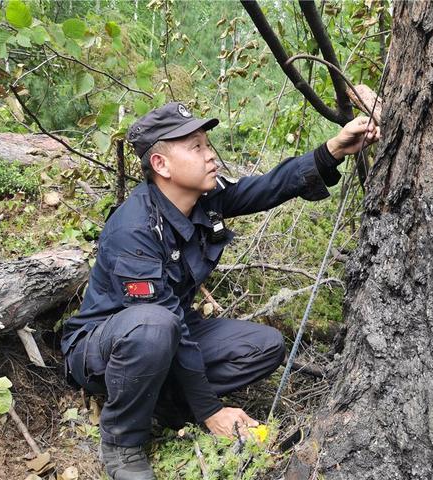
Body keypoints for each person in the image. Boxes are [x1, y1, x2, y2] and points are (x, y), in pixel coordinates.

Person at [61, 101, 380, 480]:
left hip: (168, 330)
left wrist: (332, 151)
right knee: (154, 325)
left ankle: (165, 404)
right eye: (195, 147)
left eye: (207, 144)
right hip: (108, 347)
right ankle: (123, 442)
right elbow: (161, 323)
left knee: (266, 346)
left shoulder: (204, 198)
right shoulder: (135, 229)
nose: (210, 154)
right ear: (161, 165)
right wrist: (211, 410)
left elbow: (264, 188)